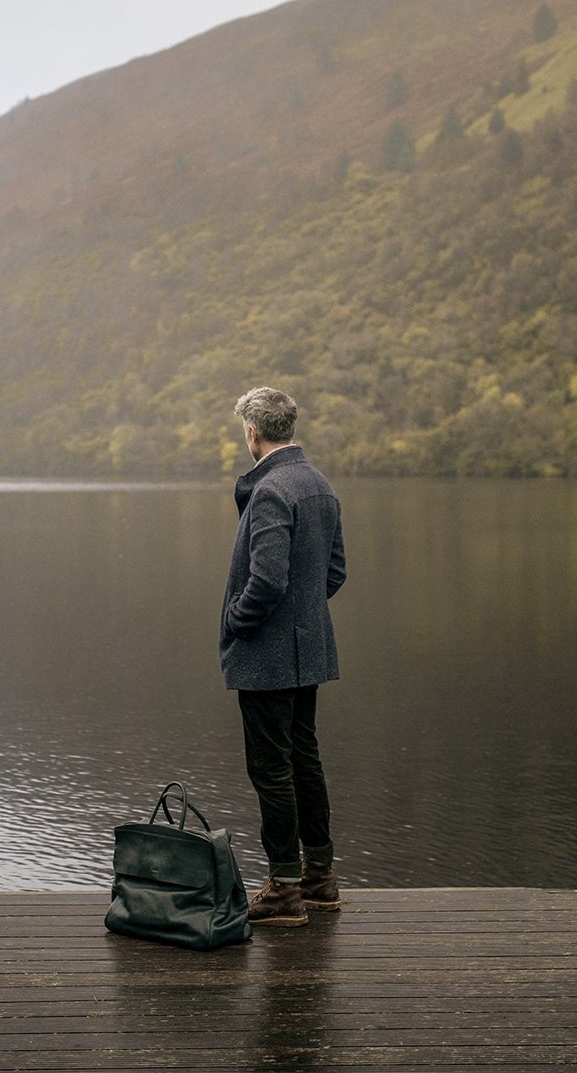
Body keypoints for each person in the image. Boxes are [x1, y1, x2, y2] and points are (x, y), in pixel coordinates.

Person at [220, 386, 346, 927]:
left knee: (272, 769)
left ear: (254, 431)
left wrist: (236, 619)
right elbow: (334, 574)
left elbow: (266, 580)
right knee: (304, 760)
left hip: (269, 656)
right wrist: (303, 617)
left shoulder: (272, 490)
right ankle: (320, 880)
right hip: (307, 650)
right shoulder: (319, 485)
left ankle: (283, 890)